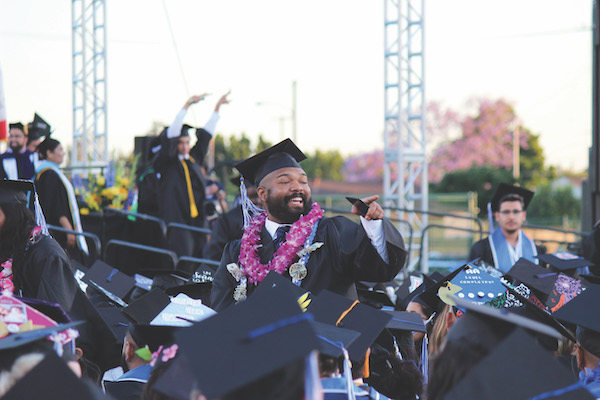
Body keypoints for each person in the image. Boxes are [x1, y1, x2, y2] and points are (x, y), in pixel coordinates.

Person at [210, 139, 407, 311]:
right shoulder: (238, 252)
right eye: (285, 182)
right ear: (262, 194)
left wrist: (373, 226)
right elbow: (222, 308)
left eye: (303, 181)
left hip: (326, 349)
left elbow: (380, 269)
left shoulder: (333, 233)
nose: (297, 187)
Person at [155, 92, 230, 257]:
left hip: (197, 220)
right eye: (180, 143)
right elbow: (172, 133)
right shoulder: (167, 163)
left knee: (201, 257)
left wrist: (217, 108)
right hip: (178, 220)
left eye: (187, 142)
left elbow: (204, 138)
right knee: (183, 258)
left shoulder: (193, 160)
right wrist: (186, 106)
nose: (184, 146)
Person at [468, 183, 545, 273]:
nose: (511, 217)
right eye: (506, 212)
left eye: (516, 212)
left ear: (523, 215)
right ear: (497, 216)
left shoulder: (537, 251)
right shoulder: (481, 250)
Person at [35, 136, 89, 259]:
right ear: (49, 153)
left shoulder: (47, 173)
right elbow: (56, 206)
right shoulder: (49, 175)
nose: (63, 153)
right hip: (59, 233)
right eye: (60, 149)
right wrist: (69, 231)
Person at [202, 176, 261, 263]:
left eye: (261, 195)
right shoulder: (226, 220)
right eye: (253, 196)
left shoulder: (272, 217)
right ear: (242, 195)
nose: (259, 201)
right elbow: (213, 254)